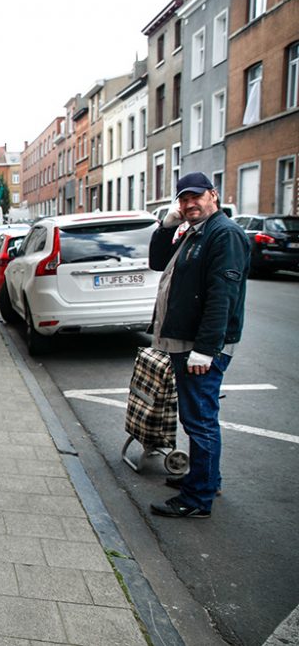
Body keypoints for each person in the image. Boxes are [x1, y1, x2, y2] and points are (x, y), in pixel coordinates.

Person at [148, 172, 249, 519]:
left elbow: (223, 297)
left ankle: (197, 498)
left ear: (213, 195)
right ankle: (206, 479)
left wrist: (205, 350)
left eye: (196, 197)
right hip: (186, 342)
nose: (189, 204)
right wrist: (166, 225)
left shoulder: (224, 235)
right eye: (183, 199)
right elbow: (158, 262)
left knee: (199, 420)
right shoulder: (196, 232)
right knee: (199, 416)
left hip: (200, 346)